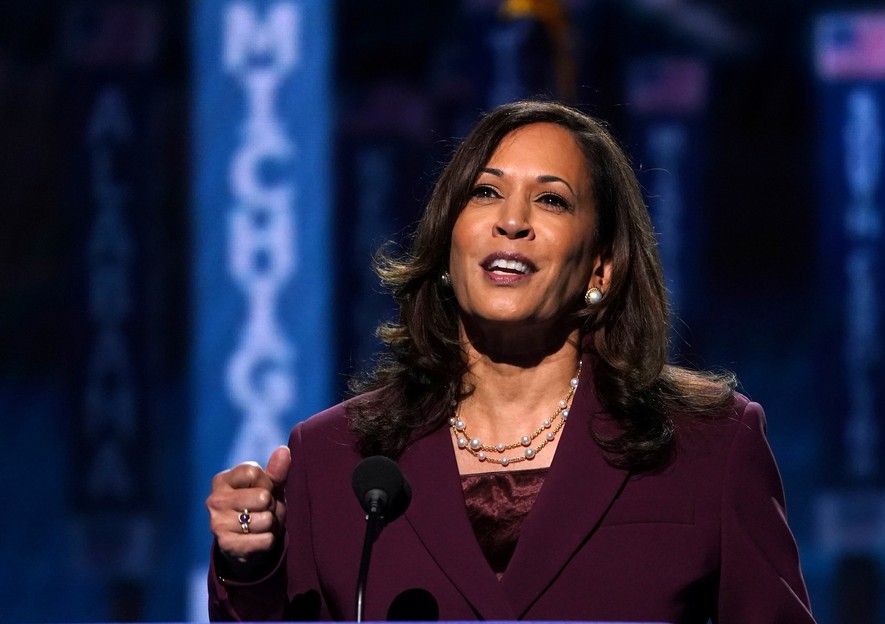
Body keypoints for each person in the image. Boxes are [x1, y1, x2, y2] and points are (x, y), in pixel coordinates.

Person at [206, 99, 816, 622]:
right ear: (449, 245)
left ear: (601, 267)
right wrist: (251, 563)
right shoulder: (334, 461)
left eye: (551, 201)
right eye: (486, 192)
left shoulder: (708, 447)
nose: (512, 221)